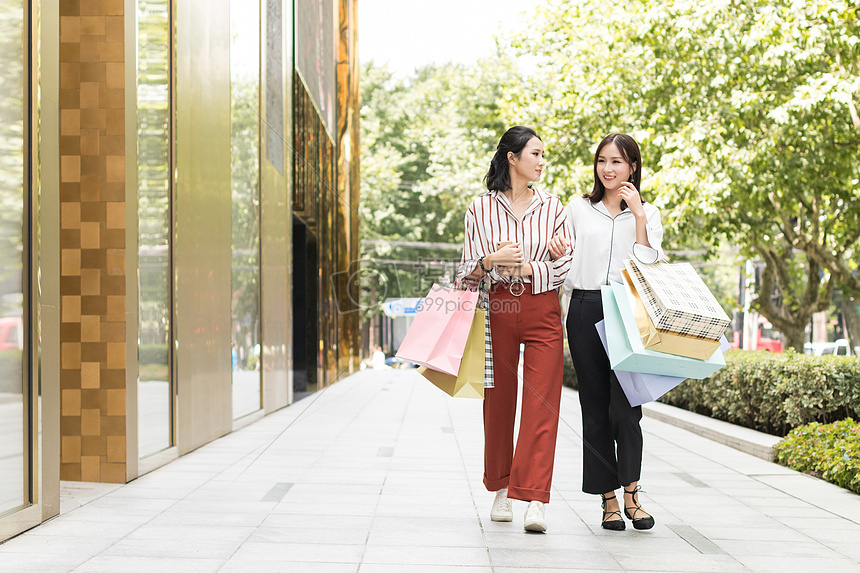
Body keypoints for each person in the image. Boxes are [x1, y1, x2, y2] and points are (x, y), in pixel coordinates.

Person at [457, 126, 573, 532]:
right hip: (499, 308)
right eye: (535, 154)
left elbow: (564, 267)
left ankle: (535, 499)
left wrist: (527, 267)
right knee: (499, 401)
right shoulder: (479, 209)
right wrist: (491, 260)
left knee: (542, 403)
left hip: (542, 308)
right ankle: (502, 489)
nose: (542, 162)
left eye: (544, 155)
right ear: (512, 157)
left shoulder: (555, 207)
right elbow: (465, 276)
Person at [549, 133, 663, 531]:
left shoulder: (648, 213)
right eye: (602, 161)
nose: (608, 169)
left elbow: (649, 267)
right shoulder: (579, 208)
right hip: (584, 307)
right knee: (595, 407)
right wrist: (556, 250)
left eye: (617, 161)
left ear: (633, 166)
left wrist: (641, 218)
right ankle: (608, 500)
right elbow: (561, 254)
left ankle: (633, 492)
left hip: (628, 311)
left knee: (627, 408)